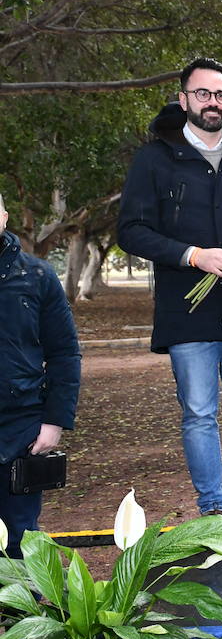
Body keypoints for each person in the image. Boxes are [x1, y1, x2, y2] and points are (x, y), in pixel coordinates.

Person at [117, 57, 222, 538]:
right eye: (204, 93)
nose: (214, 103)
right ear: (183, 99)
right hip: (187, 309)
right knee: (198, 413)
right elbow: (130, 231)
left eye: (221, 95)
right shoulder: (154, 159)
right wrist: (193, 255)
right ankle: (213, 511)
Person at [0, 192, 80, 555]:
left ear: (4, 216)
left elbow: (64, 353)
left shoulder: (36, 275)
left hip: (19, 427)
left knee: (20, 536)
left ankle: (20, 612)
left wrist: (54, 421)